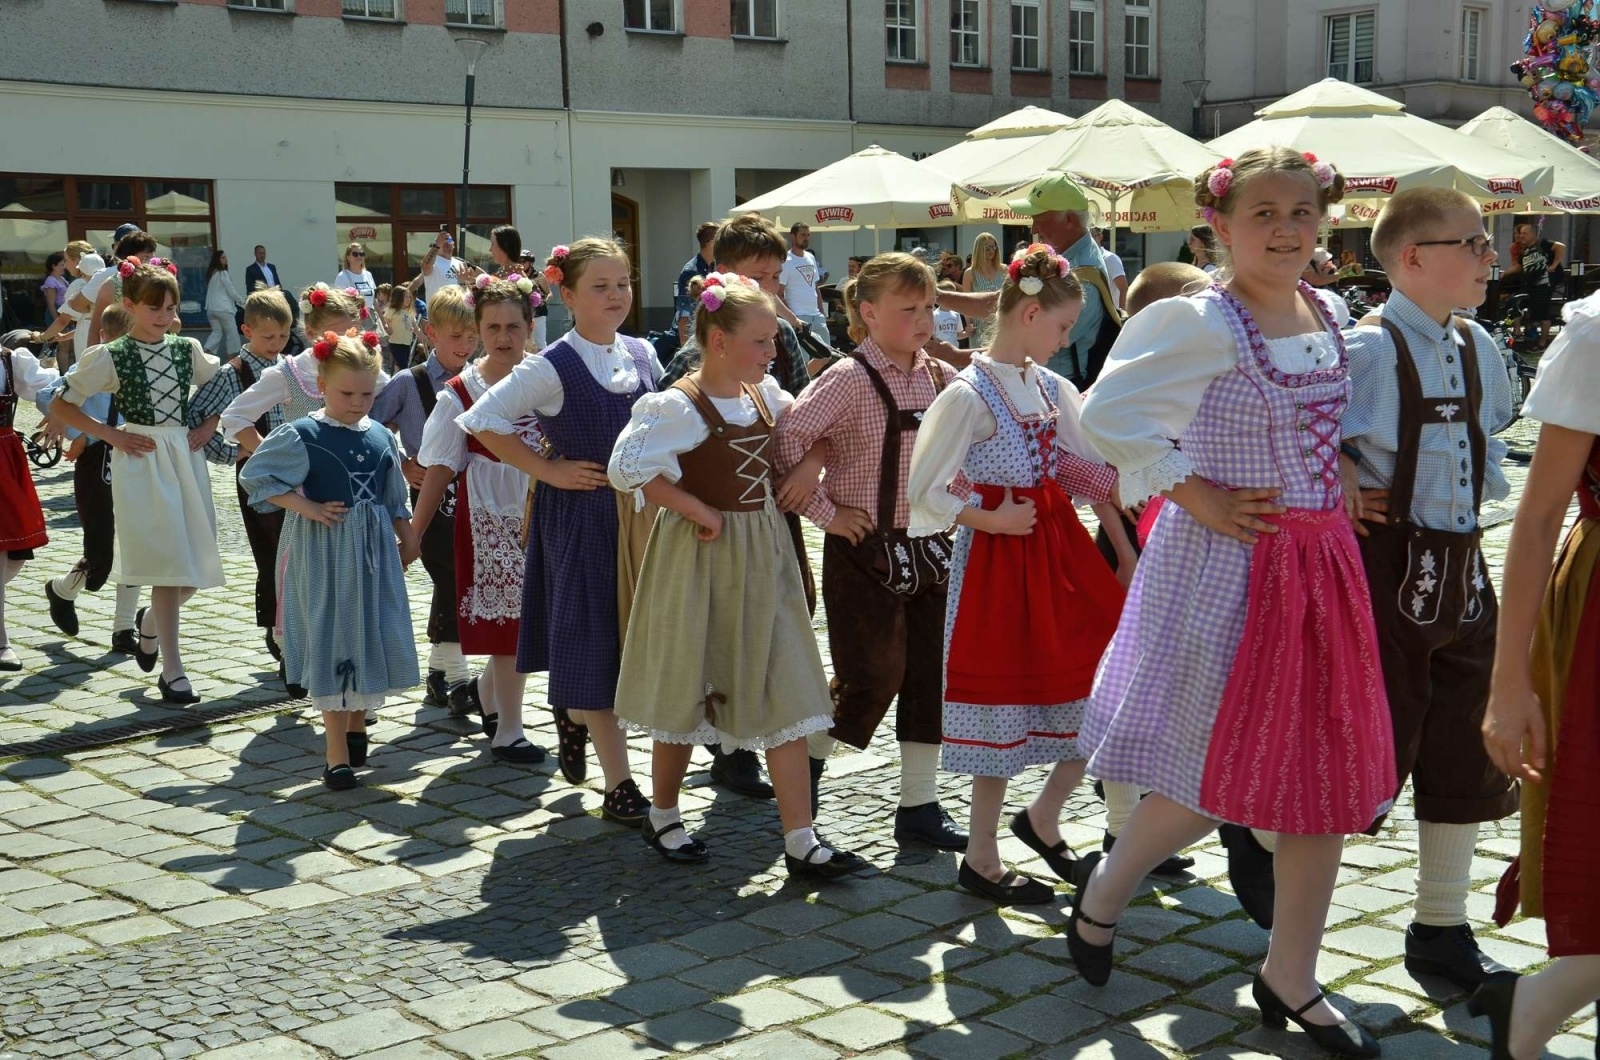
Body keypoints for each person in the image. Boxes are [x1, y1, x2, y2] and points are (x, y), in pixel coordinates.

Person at [1072, 148, 1391, 1057]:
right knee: (1214, 767)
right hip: (1229, 564)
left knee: (1314, 778)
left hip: (1321, 561)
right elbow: (1105, 414)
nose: (1287, 229)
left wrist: (1339, 473)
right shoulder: (1199, 320)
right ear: (1218, 224)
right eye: (1263, 214)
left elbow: (1315, 425)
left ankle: (1290, 974)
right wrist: (1191, 489)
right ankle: (1107, 887)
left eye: (1301, 211)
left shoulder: (1329, 311)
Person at [608, 273, 866, 879]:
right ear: (719, 341)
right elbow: (625, 468)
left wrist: (810, 465)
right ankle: (664, 814)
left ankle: (801, 838)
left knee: (788, 681)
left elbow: (823, 433)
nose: (773, 352)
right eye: (760, 341)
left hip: (766, 553)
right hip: (697, 560)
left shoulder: (768, 396)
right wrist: (695, 506)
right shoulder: (675, 405)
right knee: (686, 677)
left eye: (773, 339)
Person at [1325, 188, 1517, 990]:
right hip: (1385, 569)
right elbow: (1301, 434)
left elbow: (1493, 444)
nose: (1490, 256)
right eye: (1472, 243)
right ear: (1413, 259)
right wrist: (1335, 471)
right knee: (1369, 740)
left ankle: (1440, 927)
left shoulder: (1479, 345)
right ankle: (1262, 838)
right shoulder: (1363, 350)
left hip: (1464, 569)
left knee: (1465, 743)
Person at [907, 246, 1127, 904]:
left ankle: (1044, 816)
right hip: (1001, 563)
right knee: (1000, 703)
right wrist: (986, 519)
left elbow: (1075, 466)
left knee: (1106, 679)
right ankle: (982, 857)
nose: (1067, 340)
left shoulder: (1048, 385)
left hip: (1055, 550)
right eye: (1062, 328)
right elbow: (924, 489)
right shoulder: (969, 394)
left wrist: (1146, 492)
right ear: (1030, 313)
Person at [458, 237, 658, 827]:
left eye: (623, 283)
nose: (616, 295)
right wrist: (547, 470)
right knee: (594, 638)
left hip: (641, 517)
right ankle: (620, 783)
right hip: (583, 517)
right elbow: (483, 419)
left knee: (635, 641)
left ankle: (572, 714)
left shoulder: (643, 353)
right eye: (600, 286)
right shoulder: (552, 364)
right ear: (567, 295)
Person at [773, 252, 968, 851]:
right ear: (867, 313)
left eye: (930, 307)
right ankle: (804, 769)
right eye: (908, 309)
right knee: (871, 677)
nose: (923, 318)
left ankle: (919, 807)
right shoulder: (848, 377)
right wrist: (829, 515)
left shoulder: (938, 376)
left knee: (929, 678)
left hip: (932, 548)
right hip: (866, 551)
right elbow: (787, 443)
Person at [1471, 290, 1600, 1060]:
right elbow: (1541, 509)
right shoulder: (1599, 334)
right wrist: (1508, 682)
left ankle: (1537, 999)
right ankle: (1536, 1001)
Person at [658, 212, 824, 799]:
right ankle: (730, 747)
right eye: (760, 275)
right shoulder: (699, 357)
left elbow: (806, 413)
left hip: (772, 510)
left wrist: (807, 463)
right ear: (724, 276)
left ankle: (767, 738)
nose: (772, 288)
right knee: (720, 631)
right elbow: (669, 443)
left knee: (785, 612)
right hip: (718, 521)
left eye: (778, 276)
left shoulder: (783, 338)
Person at [240, 330, 417, 790]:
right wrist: (307, 507)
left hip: (373, 553)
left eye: (367, 392)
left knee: (368, 629)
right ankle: (335, 751)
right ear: (320, 385)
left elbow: (395, 495)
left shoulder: (380, 434)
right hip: (324, 552)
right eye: (346, 392)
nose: (358, 402)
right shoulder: (303, 434)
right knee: (333, 636)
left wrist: (408, 537)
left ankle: (358, 722)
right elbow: (255, 476)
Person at [51, 258, 225, 704]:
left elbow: (225, 386)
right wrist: (110, 435)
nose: (165, 317)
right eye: (155, 309)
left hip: (185, 458)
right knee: (168, 566)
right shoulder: (112, 354)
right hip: (142, 459)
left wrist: (209, 425)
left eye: (170, 308)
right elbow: (61, 402)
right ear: (129, 305)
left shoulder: (186, 350)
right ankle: (172, 670)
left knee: (194, 565)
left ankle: (150, 623)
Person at [410, 277, 546, 764]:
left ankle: (489, 695)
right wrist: (416, 530)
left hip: (541, 505)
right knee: (510, 620)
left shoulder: (547, 377)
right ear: (479, 329)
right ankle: (509, 728)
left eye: (514, 325)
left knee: (530, 616)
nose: (504, 336)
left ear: (530, 327)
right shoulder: (461, 391)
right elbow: (439, 466)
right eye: (493, 327)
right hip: (489, 510)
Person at [371, 284, 476, 715]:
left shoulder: (480, 377)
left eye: (473, 337)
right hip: (429, 495)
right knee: (447, 575)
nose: (466, 346)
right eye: (457, 337)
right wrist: (400, 462)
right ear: (430, 332)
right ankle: (460, 679)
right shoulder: (408, 382)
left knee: (459, 577)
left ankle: (437, 671)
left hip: (475, 493)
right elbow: (367, 425)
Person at [185, 289, 298, 671]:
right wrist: (230, 450)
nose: (276, 344)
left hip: (294, 475)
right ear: (245, 329)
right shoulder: (232, 373)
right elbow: (197, 413)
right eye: (268, 337)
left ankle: (293, 628)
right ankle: (277, 630)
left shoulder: (290, 369)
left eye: (283, 336)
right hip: (256, 477)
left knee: (296, 552)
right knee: (271, 555)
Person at [36, 305, 143, 656]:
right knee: (99, 543)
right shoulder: (92, 363)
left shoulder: (141, 365)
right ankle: (63, 589)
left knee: (134, 545)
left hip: (136, 458)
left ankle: (124, 628)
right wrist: (77, 430)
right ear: (102, 338)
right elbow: (47, 395)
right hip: (97, 460)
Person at [219, 285, 374, 458]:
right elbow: (235, 415)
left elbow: (394, 407)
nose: (345, 343)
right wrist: (276, 458)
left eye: (352, 334)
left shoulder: (366, 366)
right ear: (310, 333)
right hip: (311, 477)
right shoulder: (292, 372)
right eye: (336, 336)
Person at [1005, 174, 1115, 386]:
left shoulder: (1082, 276)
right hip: (1049, 381)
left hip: (1057, 387)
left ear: (1069, 219)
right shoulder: (1072, 258)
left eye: (1039, 217)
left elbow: (1032, 343)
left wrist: (957, 357)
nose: (1033, 229)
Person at [0, 330, 60, 671]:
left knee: (14, 553)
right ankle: (0, 639)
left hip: (4, 460)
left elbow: (53, 387)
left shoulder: (11, 361)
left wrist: (61, 411)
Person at [80, 230, 157, 348]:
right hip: (121, 353)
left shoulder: (158, 284)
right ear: (128, 258)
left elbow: (176, 324)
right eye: (145, 258)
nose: (149, 264)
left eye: (151, 259)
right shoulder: (112, 285)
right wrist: (92, 359)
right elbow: (96, 327)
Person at [1503, 222, 1566, 350]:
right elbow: (1519, 266)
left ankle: (1542, 343)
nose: (1522, 236)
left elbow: (1561, 247)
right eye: (1521, 233)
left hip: (1544, 284)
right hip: (1530, 285)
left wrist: (1554, 265)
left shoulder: (1543, 244)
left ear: (1533, 234)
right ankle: (1518, 333)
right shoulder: (1524, 250)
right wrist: (1504, 273)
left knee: (1543, 313)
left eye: (1525, 233)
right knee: (1515, 302)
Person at [781, 223, 830, 346]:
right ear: (793, 236)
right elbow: (779, 293)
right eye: (803, 235)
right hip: (799, 317)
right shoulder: (785, 261)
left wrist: (821, 312)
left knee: (828, 355)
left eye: (808, 235)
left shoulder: (810, 257)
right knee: (804, 360)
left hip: (816, 316)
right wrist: (792, 318)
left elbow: (815, 286)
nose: (806, 238)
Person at [674, 222, 718, 346]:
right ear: (711, 242)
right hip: (694, 338)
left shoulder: (715, 267)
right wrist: (686, 350)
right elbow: (684, 314)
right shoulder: (691, 271)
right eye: (721, 241)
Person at [203, 250, 246, 357]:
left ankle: (203, 354)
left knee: (217, 333)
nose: (225, 259)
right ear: (217, 260)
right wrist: (243, 301)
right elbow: (231, 291)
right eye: (222, 257)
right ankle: (232, 359)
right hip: (223, 309)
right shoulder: (223, 273)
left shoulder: (212, 274)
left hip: (211, 309)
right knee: (232, 335)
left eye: (225, 257)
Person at [420, 230, 469, 302]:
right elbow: (426, 267)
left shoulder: (460, 263)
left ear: (453, 245)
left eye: (449, 239)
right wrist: (437, 246)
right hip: (437, 312)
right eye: (442, 240)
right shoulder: (434, 262)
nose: (445, 242)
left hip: (457, 310)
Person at [378, 284, 415, 373]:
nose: (408, 299)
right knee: (404, 366)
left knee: (398, 365)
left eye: (409, 297)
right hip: (396, 343)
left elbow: (416, 328)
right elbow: (384, 322)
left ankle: (394, 381)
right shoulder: (392, 310)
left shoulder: (410, 312)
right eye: (406, 297)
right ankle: (405, 383)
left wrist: (425, 338)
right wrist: (388, 328)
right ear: (399, 298)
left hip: (407, 343)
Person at [333, 243, 377, 318]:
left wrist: (383, 322)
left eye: (361, 254)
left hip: (371, 319)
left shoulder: (368, 275)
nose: (359, 256)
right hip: (354, 318)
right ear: (348, 257)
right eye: (355, 254)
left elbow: (374, 301)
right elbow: (339, 302)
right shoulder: (342, 276)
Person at [1092, 228, 1129, 310]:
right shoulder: (1089, 259)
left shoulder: (1109, 258)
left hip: (1111, 316)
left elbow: (1124, 289)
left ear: (1100, 236)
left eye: (1092, 236)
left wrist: (1122, 315)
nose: (1089, 241)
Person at [40, 253, 70, 333]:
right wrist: (57, 321)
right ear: (54, 266)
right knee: (62, 341)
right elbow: (50, 303)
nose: (64, 267)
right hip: (56, 313)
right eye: (62, 265)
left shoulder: (62, 279)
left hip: (64, 312)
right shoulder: (50, 281)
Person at [933, 281, 967, 347]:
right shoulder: (934, 315)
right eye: (948, 296)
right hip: (940, 350)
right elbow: (932, 335)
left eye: (953, 296)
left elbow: (957, 335)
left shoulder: (956, 314)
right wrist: (942, 346)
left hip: (954, 350)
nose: (951, 299)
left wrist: (967, 333)